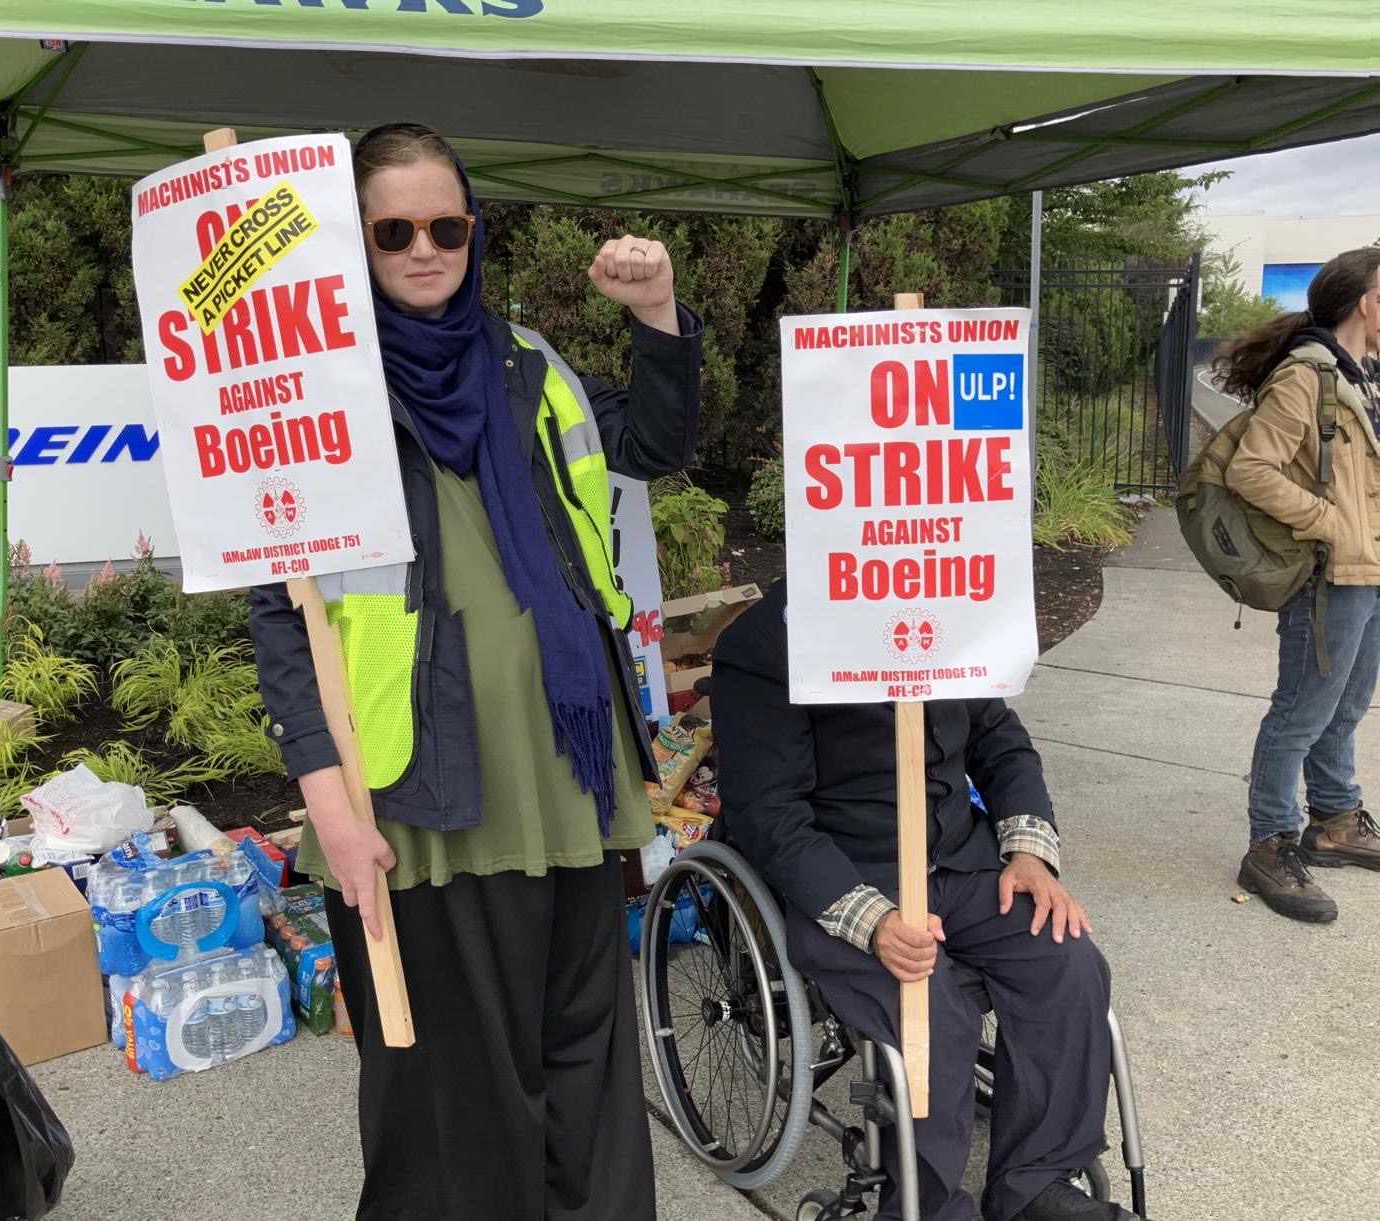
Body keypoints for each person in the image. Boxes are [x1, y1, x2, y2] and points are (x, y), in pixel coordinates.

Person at [248, 123, 702, 1220]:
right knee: (453, 1103)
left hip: (568, 776)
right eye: (393, 231)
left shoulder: (524, 364)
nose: (424, 249)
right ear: (353, 241)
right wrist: (328, 806)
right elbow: (280, 616)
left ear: (473, 231)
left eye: (445, 227)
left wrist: (656, 314)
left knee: (585, 1071)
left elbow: (653, 444)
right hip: (414, 797)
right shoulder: (308, 392)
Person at [714, 580, 1140, 1221]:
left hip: (959, 858)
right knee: (932, 1012)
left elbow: (1000, 741)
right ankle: (927, 1208)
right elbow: (768, 814)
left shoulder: (941, 613)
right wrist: (872, 920)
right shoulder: (767, 642)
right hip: (847, 877)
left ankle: (1036, 1184)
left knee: (1067, 962)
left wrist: (1029, 852)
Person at [1218, 248, 1380, 922]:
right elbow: (1251, 469)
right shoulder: (1306, 374)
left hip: (1368, 571)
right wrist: (1331, 523)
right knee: (1300, 713)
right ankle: (1271, 842)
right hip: (1330, 573)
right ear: (1366, 301)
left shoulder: (1361, 375)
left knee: (1346, 707)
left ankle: (1335, 819)